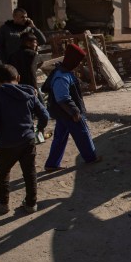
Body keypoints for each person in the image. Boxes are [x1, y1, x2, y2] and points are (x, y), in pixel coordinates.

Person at [0, 65, 49, 214]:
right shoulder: (29, 93)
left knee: (2, 174)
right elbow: (45, 115)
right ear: (18, 78)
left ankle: (3, 204)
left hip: (7, 143)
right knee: (29, 173)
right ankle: (31, 204)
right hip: (28, 141)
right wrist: (39, 129)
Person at [43, 43, 102, 171]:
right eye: (78, 61)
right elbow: (62, 98)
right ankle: (91, 157)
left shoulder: (63, 72)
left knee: (60, 138)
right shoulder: (62, 76)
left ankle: (52, 164)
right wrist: (74, 112)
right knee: (82, 133)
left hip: (62, 113)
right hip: (68, 113)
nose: (78, 63)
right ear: (72, 60)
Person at [8, 32, 42, 96]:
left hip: (17, 85)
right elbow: (31, 71)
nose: (36, 45)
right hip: (29, 86)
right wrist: (34, 87)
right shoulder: (32, 54)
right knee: (40, 104)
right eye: (35, 42)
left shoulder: (13, 55)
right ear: (28, 43)